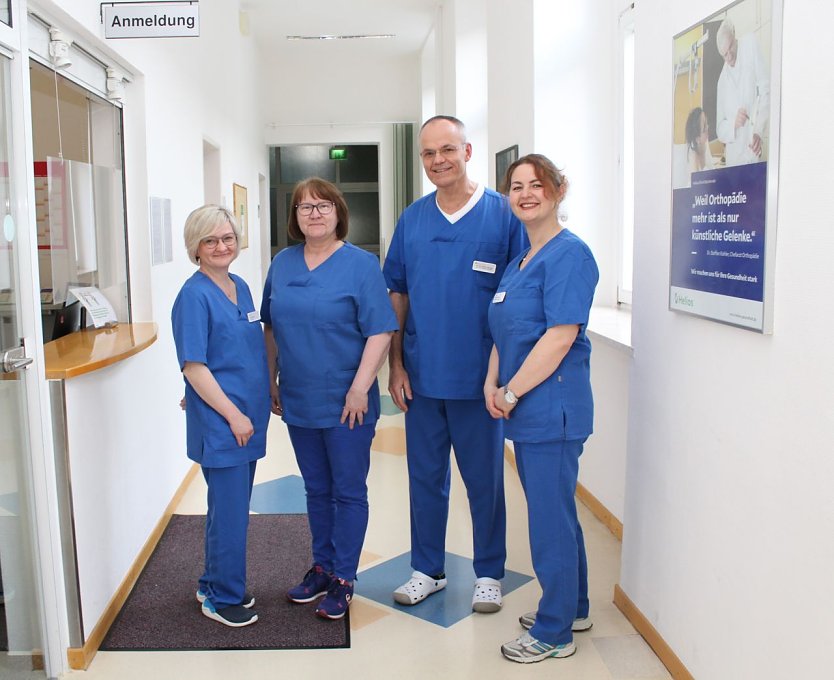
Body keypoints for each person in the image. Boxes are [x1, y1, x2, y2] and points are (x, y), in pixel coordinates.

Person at [383, 115, 527, 612]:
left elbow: (519, 297)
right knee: (424, 478)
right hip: (422, 375)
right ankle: (427, 569)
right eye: (428, 153)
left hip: (479, 378)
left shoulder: (503, 216)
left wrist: (504, 376)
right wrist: (396, 365)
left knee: (485, 482)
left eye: (447, 149)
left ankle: (489, 572)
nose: (438, 160)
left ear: (467, 152)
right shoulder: (413, 219)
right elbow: (397, 294)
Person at [261, 178, 397, 621]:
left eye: (322, 206)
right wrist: (270, 378)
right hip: (299, 397)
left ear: (339, 212)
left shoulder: (361, 265)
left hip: (347, 401)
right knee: (316, 488)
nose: (314, 213)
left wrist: (360, 387)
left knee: (348, 490)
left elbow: (381, 330)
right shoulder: (282, 263)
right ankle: (321, 567)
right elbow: (269, 325)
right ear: (295, 217)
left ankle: (344, 577)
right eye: (304, 207)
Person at [485, 154, 598, 663]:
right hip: (526, 404)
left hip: (552, 408)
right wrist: (492, 381)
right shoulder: (521, 260)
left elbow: (559, 337)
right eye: (516, 186)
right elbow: (504, 331)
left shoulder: (569, 255)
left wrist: (510, 393)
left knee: (549, 522)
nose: (526, 194)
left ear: (558, 190)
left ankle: (554, 632)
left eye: (536, 184)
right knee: (558, 514)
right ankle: (574, 607)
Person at [171, 205, 271, 628]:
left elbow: (232, 349)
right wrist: (232, 415)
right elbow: (194, 365)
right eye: (209, 240)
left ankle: (213, 582)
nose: (220, 246)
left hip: (246, 414)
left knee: (229, 509)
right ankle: (222, 598)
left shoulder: (239, 286)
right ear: (195, 247)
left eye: (227, 238)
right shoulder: (193, 296)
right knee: (230, 514)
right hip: (226, 421)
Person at [714, 17, 770, 166]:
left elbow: (766, 90)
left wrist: (759, 131)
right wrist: (734, 123)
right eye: (724, 54)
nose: (729, 56)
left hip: (752, 150)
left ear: (734, 35)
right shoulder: (722, 81)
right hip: (734, 159)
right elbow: (720, 129)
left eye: (730, 47)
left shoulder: (750, 44)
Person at [685, 106, 716, 173]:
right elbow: (701, 177)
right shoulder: (694, 158)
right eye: (704, 127)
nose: (707, 127)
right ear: (697, 139)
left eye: (706, 123)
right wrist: (702, 159)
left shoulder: (704, 144)